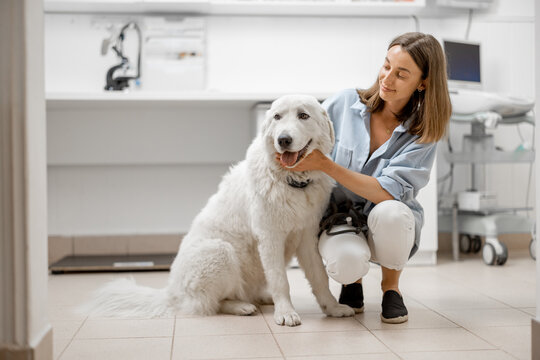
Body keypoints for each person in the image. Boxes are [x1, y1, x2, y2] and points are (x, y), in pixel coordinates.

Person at [278, 32, 451, 324]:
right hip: (339, 217)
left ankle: (391, 288)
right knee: (346, 264)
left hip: (387, 219)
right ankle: (352, 282)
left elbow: (386, 192)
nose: (387, 79)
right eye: (386, 66)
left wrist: (326, 165)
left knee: (392, 212)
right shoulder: (344, 104)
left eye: (401, 74)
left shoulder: (423, 134)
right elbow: (306, 134)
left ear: (422, 83)